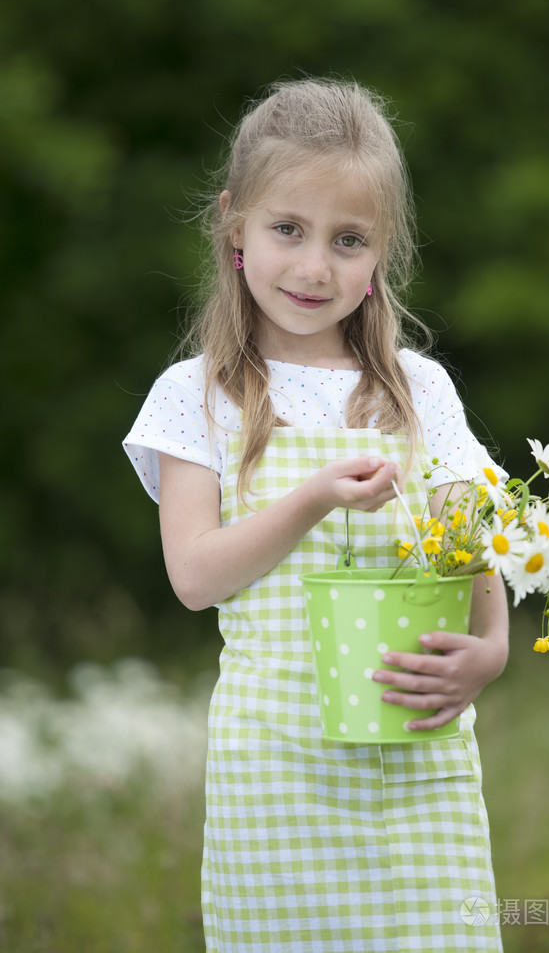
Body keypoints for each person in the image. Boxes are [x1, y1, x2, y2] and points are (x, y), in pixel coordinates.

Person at [124, 77, 508, 952]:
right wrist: (309, 498)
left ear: (380, 256)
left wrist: (488, 651)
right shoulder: (197, 395)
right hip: (276, 771)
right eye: (287, 229)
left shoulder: (419, 391)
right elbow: (193, 577)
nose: (313, 267)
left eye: (347, 241)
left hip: (420, 769)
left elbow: (469, 553)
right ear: (234, 227)